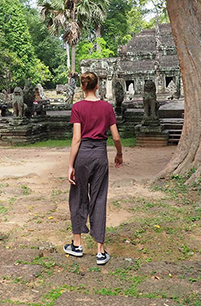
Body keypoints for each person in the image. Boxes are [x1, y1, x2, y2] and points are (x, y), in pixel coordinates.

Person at [64, 72, 123, 265]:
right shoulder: (107, 108)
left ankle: (77, 244)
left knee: (78, 196)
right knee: (98, 198)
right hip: (100, 155)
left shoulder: (78, 107)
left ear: (82, 87)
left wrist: (71, 164)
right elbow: (115, 137)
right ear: (97, 86)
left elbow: (76, 139)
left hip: (82, 155)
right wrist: (119, 153)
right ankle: (100, 250)